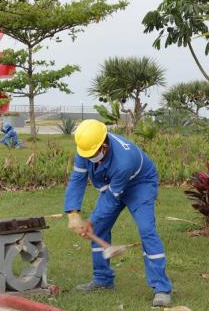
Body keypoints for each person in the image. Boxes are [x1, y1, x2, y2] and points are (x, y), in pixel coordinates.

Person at [64, 119, 172, 308]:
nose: (90, 158)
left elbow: (111, 199)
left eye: (93, 154)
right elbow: (77, 179)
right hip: (112, 184)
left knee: (147, 230)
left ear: (104, 145)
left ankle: (161, 288)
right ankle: (102, 280)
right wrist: (73, 212)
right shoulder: (86, 148)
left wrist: (90, 220)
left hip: (140, 184)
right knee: (99, 229)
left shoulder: (123, 160)